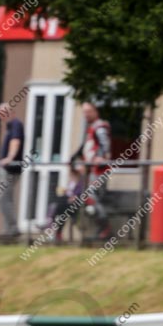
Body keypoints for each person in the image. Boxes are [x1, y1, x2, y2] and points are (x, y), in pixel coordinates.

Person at [71, 102, 113, 242]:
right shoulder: (91, 129)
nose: (86, 114)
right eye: (84, 112)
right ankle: (101, 228)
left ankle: (105, 228)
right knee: (89, 198)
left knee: (92, 197)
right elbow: (86, 147)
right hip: (91, 171)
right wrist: (74, 159)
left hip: (99, 171)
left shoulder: (99, 126)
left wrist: (100, 157)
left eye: (89, 111)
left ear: (96, 111)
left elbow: (104, 144)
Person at [0, 102, 24, 240]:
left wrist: (9, 157)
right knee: (6, 199)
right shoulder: (10, 126)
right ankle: (9, 228)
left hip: (11, 170)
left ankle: (12, 228)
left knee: (3, 198)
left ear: (11, 112)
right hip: (8, 169)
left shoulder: (15, 124)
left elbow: (16, 142)